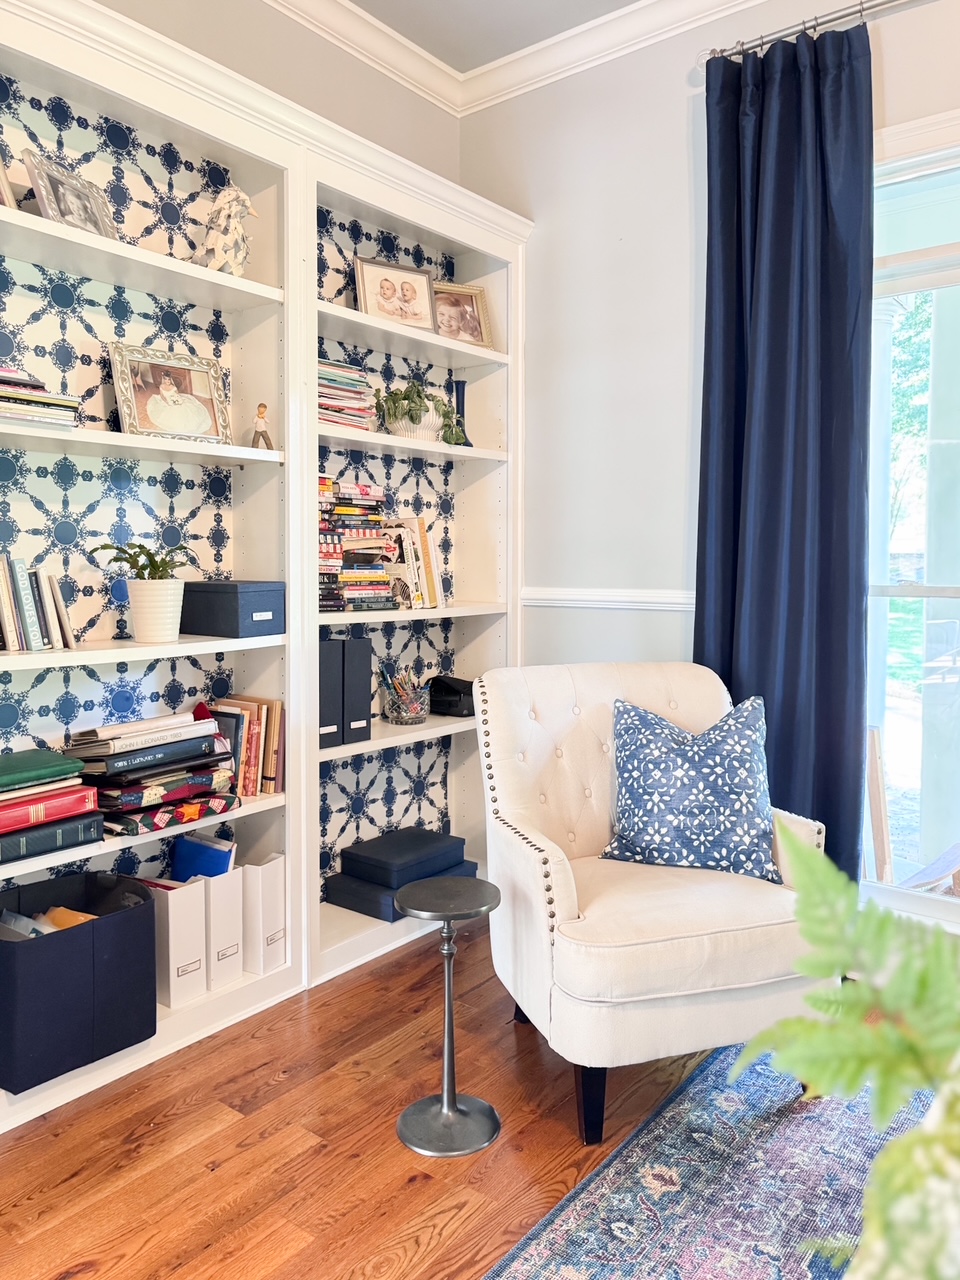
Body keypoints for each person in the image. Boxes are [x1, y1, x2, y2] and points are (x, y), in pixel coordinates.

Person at [145, 369, 213, 435]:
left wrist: (177, 401)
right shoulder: (161, 386)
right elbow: (162, 396)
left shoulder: (173, 387)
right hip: (166, 400)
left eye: (169, 379)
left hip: (174, 399)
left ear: (170, 379)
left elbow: (177, 395)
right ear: (164, 379)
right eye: (166, 379)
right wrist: (166, 401)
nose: (167, 381)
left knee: (182, 409)